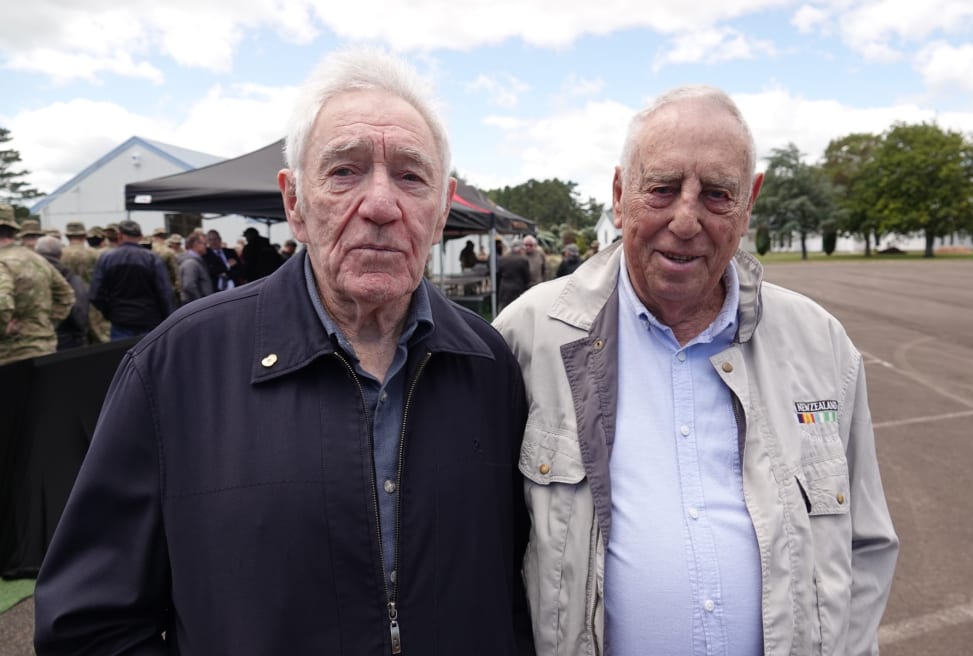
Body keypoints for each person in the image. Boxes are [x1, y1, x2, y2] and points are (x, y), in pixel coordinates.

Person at [35, 48, 531, 656]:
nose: (379, 204)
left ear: (440, 211)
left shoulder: (488, 363)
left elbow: (515, 593)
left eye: (410, 175)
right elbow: (90, 625)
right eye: (344, 172)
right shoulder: (178, 367)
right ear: (294, 203)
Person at [493, 86, 898, 655]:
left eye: (716, 194)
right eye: (661, 189)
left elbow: (866, 549)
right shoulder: (528, 336)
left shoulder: (821, 344)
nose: (686, 220)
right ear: (619, 193)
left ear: (749, 201)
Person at [0, 206, 74, 365]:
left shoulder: (2, 260)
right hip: (45, 349)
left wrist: (5, 331)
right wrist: (43, 324)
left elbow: (2, 305)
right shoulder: (36, 258)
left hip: (11, 356)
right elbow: (66, 295)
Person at [88, 219, 174, 340]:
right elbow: (165, 292)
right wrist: (167, 319)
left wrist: (110, 313)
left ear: (119, 236)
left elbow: (95, 294)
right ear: (140, 237)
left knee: (121, 357)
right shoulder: (152, 259)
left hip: (120, 322)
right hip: (150, 321)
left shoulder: (106, 259)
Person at [36, 236, 90, 350]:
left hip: (36, 339)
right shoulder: (70, 277)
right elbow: (80, 310)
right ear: (60, 254)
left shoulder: (29, 275)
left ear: (36, 253)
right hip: (67, 338)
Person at [177, 231, 213, 303]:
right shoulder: (190, 263)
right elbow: (189, 286)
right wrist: (200, 302)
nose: (206, 246)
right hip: (198, 306)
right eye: (204, 244)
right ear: (196, 244)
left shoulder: (196, 261)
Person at [496, 239, 530, 313]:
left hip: (504, 290)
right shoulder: (523, 260)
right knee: (516, 312)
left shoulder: (503, 259)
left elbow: (498, 276)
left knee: (504, 312)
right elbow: (527, 278)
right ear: (520, 249)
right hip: (518, 290)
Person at [150, 226, 182, 304]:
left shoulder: (146, 250)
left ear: (154, 236)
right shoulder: (169, 252)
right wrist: (178, 291)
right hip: (166, 290)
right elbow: (176, 274)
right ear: (164, 236)